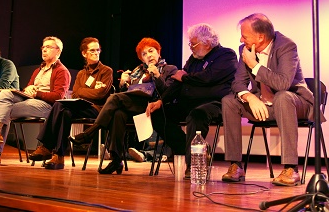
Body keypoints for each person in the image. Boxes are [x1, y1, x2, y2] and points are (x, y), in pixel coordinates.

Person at [220, 13, 314, 186]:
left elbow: (283, 83)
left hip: (295, 103)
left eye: (244, 36)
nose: (241, 40)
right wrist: (249, 97)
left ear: (260, 37)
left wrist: (254, 66)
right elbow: (238, 83)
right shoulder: (245, 50)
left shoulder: (286, 46)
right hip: (264, 105)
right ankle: (235, 165)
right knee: (229, 101)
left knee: (283, 97)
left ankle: (291, 169)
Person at [69, 37, 177, 174]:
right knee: (118, 113)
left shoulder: (169, 69)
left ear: (159, 52)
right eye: (144, 54)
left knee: (114, 99)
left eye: (151, 51)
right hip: (135, 107)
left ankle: (90, 133)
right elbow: (127, 96)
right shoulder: (138, 72)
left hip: (154, 107)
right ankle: (116, 159)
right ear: (141, 59)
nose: (149, 55)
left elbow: (169, 94)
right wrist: (123, 84)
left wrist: (157, 75)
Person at [146, 23, 237, 179]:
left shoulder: (226, 55)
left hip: (214, 103)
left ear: (207, 43)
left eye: (193, 44)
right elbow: (177, 82)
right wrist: (162, 101)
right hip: (188, 102)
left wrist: (186, 77)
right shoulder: (194, 58)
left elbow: (209, 77)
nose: (191, 47)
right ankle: (196, 151)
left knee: (196, 115)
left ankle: (193, 163)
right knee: (157, 114)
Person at [0, 36, 71, 165]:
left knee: (4, 110)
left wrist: (37, 93)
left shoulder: (62, 71)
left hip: (47, 107)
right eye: (43, 47)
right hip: (31, 101)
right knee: (5, 93)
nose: (44, 50)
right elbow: (27, 88)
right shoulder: (38, 70)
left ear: (58, 51)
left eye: (48, 47)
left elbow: (58, 97)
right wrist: (28, 89)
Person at [28, 37, 113, 169]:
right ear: (84, 53)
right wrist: (88, 91)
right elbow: (75, 94)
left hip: (97, 109)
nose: (96, 53)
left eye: (98, 50)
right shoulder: (81, 73)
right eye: (92, 50)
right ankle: (59, 157)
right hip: (81, 105)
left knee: (59, 105)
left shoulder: (106, 71)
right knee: (64, 111)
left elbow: (100, 94)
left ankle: (46, 146)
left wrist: (83, 91)